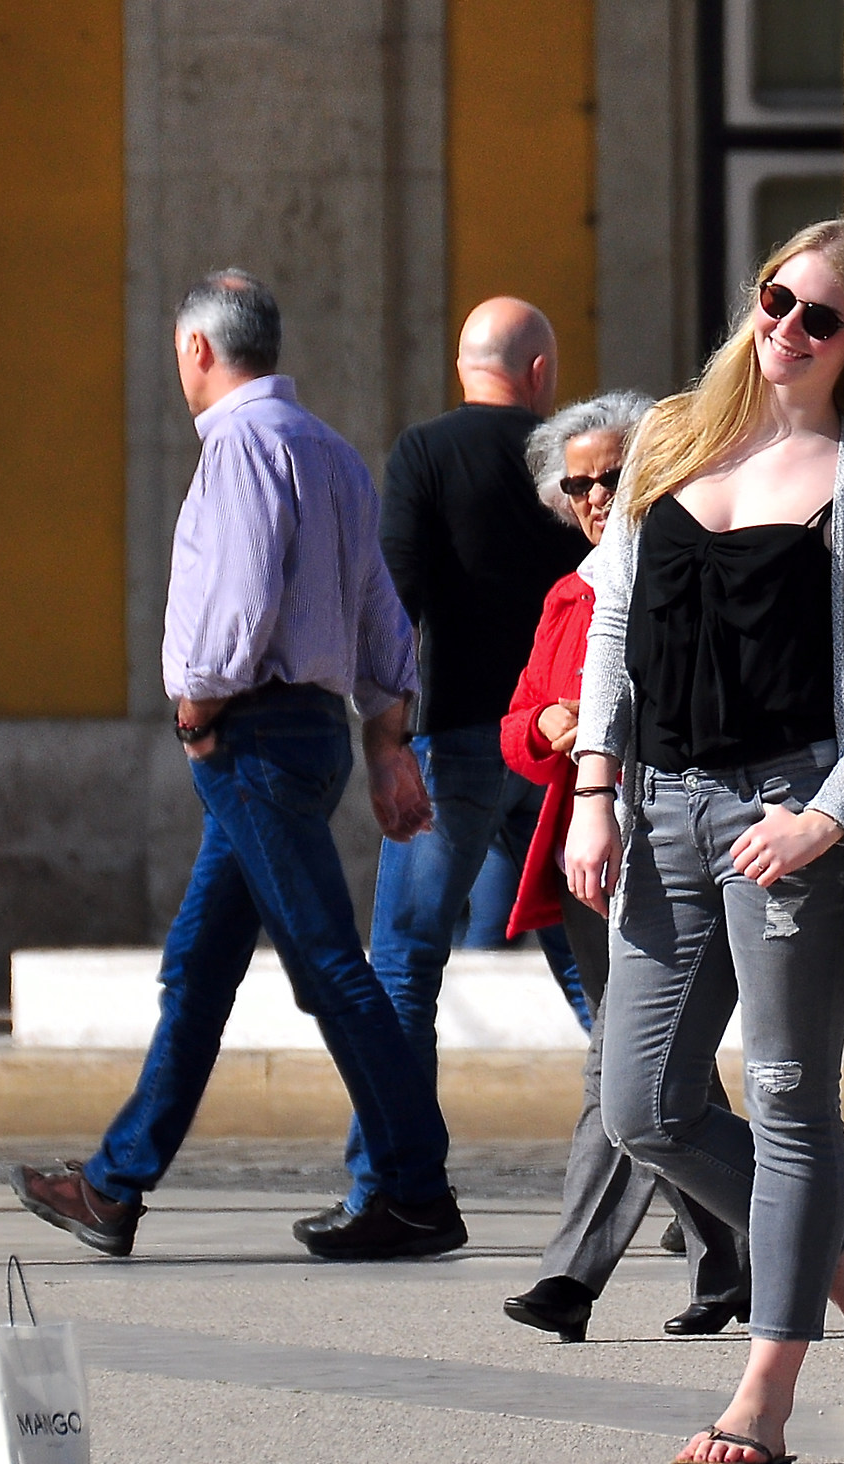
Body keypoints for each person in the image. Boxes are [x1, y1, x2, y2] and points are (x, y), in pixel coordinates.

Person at [562, 219, 844, 1464]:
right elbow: (613, 628)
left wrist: (826, 818)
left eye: (819, 317)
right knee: (643, 1103)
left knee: (788, 1101)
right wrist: (594, 787)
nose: (787, 327)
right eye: (778, 298)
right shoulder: (670, 443)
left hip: (790, 814)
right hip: (661, 807)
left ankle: (765, 1396)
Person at [12, 271, 463, 1261]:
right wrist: (386, 740)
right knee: (200, 968)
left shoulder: (241, 446)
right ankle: (114, 1185)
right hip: (305, 733)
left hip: (251, 735)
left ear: (197, 349)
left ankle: (418, 1189)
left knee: (330, 970)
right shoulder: (329, 451)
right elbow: (382, 615)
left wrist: (198, 704)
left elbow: (243, 594)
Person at [497, 390, 753, 1342]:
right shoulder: (570, 596)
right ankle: (736, 1255)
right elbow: (514, 730)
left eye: (612, 475)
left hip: (672, 845)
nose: (598, 495)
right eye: (580, 485)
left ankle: (571, 1276)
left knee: (621, 1069)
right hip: (587, 859)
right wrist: (548, 725)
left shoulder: (683, 565)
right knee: (664, 1071)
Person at [338, 298, 593, 1219]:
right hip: (559, 746)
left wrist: (386, 740)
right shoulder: (575, 462)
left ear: (463, 369)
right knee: (601, 978)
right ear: (539, 373)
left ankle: (395, 1191)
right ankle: (708, 1196)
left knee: (406, 967)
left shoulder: (426, 453)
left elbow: (393, 601)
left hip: (455, 747)